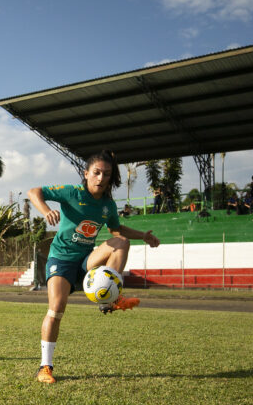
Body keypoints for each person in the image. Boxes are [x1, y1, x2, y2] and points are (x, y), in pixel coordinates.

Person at [28, 151, 161, 384]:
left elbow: (116, 231)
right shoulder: (72, 193)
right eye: (96, 172)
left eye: (106, 174)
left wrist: (143, 236)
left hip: (86, 260)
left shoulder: (108, 205)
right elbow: (34, 192)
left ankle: (110, 299)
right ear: (86, 173)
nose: (100, 178)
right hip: (61, 260)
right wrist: (46, 210)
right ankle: (44, 367)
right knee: (56, 309)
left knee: (121, 243)